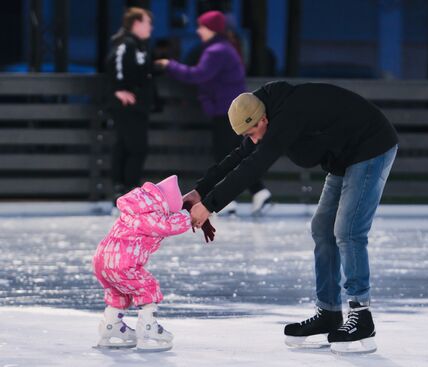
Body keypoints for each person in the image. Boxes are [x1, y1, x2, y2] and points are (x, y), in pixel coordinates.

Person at [182, 81, 398, 354]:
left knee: (348, 230)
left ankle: (361, 316)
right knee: (322, 228)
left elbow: (255, 165)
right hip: (343, 156)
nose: (255, 139)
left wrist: (210, 206)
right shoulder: (261, 111)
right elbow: (241, 154)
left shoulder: (286, 118)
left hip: (371, 147)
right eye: (248, 135)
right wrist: (200, 191)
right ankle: (330, 313)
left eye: (254, 132)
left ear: (263, 119)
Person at [155, 10, 271, 215]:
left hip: (226, 112)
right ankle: (259, 192)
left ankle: (236, 198)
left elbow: (197, 75)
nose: (198, 31)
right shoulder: (223, 48)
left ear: (212, 29)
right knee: (235, 156)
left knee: (225, 157)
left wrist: (169, 65)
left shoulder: (216, 51)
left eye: (201, 27)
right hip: (229, 110)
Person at [92, 175, 215, 352]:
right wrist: (188, 215)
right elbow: (166, 226)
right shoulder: (150, 216)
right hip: (122, 262)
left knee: (118, 290)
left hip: (101, 259)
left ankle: (111, 326)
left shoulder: (136, 208)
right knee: (147, 287)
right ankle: (148, 327)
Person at [105, 7, 155, 201]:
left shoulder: (138, 45)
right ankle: (125, 191)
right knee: (134, 147)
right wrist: (118, 88)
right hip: (127, 106)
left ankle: (125, 191)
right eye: (147, 22)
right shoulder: (126, 43)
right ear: (136, 23)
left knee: (130, 147)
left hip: (137, 106)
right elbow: (114, 62)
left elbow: (141, 71)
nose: (151, 27)